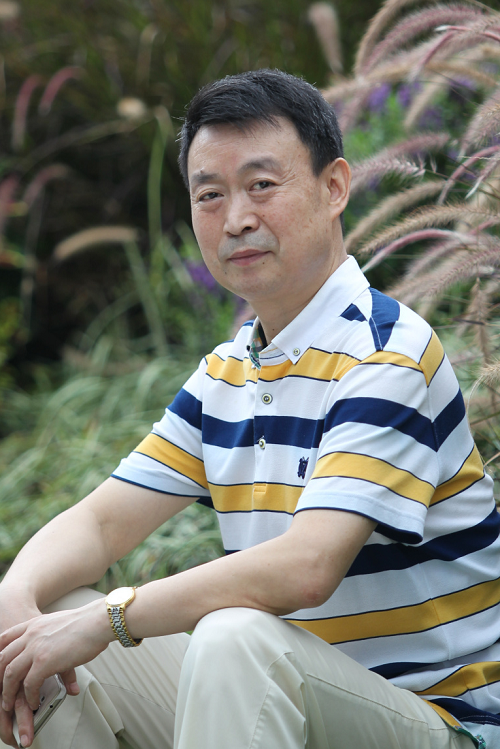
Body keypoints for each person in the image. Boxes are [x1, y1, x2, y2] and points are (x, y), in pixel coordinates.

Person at [0, 68, 499, 749]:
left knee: (234, 636)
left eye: (262, 185)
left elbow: (307, 567)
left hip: (437, 723)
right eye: (211, 194)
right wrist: (15, 596)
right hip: (277, 701)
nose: (236, 219)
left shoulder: (386, 355)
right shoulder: (228, 373)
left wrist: (112, 617)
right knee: (40, 623)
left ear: (334, 187)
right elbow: (101, 521)